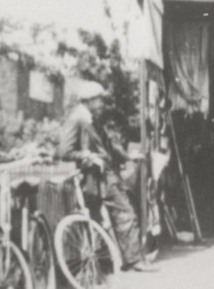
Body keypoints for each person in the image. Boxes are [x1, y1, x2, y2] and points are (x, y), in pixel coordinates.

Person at [58, 80, 157, 272]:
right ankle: (131, 260)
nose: (102, 103)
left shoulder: (92, 119)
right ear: (89, 100)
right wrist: (87, 155)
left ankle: (120, 261)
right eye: (99, 99)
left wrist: (129, 157)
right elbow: (64, 151)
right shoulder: (77, 119)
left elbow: (109, 145)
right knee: (123, 213)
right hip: (94, 177)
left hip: (104, 175)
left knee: (111, 216)